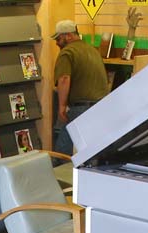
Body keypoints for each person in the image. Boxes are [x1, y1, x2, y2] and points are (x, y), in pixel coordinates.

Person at [51, 20, 109, 155]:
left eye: (59, 38)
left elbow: (64, 79)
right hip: (101, 107)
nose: (57, 43)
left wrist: (61, 107)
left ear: (69, 36)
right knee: (92, 152)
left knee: (62, 151)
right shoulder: (92, 51)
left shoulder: (67, 52)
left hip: (81, 108)